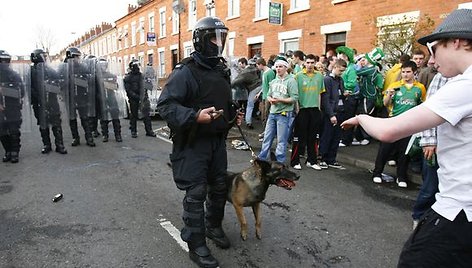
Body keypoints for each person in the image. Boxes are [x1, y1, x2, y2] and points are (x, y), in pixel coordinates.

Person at [341, 9, 472, 266]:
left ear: (457, 41)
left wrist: (361, 118)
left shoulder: (465, 86)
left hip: (459, 211)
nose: (431, 61)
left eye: (434, 50)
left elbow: (389, 131)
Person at [156, 16, 242, 268]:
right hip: (193, 143)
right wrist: (194, 116)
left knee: (218, 187)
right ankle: (196, 244)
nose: (219, 42)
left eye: (222, 37)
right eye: (214, 37)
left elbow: (221, 99)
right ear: (201, 41)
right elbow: (165, 105)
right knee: (196, 192)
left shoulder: (221, 69)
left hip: (216, 141)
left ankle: (213, 226)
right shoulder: (186, 71)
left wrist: (231, 113)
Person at [371, 60, 425, 188]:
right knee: (385, 149)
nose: (405, 74)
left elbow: (422, 105)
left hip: (409, 125)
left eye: (408, 72)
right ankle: (377, 173)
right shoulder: (395, 85)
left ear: (414, 72)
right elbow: (385, 103)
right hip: (393, 121)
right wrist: (389, 95)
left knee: (404, 152)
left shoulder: (420, 88)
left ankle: (401, 176)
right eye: (403, 72)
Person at [411, 71, 451, 230]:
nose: (433, 61)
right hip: (438, 145)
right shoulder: (443, 75)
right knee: (430, 187)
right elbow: (429, 109)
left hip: (460, 151)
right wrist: (429, 141)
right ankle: (419, 217)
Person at [258, 57, 298, 164]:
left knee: (281, 139)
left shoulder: (291, 81)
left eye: (280, 67)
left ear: (286, 68)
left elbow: (294, 98)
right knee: (267, 137)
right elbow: (268, 94)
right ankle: (261, 159)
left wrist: (280, 100)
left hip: (284, 114)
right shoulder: (274, 81)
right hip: (272, 112)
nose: (278, 69)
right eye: (277, 67)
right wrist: (270, 99)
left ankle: (279, 161)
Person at [289, 54, 324, 170]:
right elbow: (295, 94)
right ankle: (295, 161)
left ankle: (312, 160)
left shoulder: (319, 76)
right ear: (304, 63)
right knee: (299, 137)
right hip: (303, 109)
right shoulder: (298, 76)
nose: (310, 65)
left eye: (312, 63)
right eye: (308, 63)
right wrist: (297, 108)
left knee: (313, 137)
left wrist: (319, 109)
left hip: (314, 109)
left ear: (315, 63)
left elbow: (319, 93)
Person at [30, 48, 67, 154]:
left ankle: (59, 145)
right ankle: (47, 145)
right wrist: (38, 96)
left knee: (56, 122)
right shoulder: (31, 71)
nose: (45, 58)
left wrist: (53, 87)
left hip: (51, 100)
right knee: (43, 124)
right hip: (39, 102)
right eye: (43, 56)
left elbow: (58, 82)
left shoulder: (49, 70)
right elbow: (29, 87)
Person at [61, 47, 96, 147]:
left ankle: (89, 137)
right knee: (72, 119)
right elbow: (60, 82)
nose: (78, 59)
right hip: (70, 97)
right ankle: (75, 137)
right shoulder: (63, 68)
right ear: (71, 56)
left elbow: (89, 80)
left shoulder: (82, 67)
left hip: (81, 96)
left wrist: (80, 81)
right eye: (76, 56)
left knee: (85, 118)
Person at [319, 59, 347, 169]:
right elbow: (325, 99)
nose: (341, 73)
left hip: (340, 110)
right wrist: (331, 115)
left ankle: (331, 159)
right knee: (327, 136)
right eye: (340, 70)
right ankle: (322, 158)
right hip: (331, 112)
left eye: (343, 71)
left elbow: (339, 95)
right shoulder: (327, 80)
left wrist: (345, 94)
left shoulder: (340, 80)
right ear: (335, 67)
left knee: (336, 137)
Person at [0, 50, 24, 163]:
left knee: (14, 131)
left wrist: (4, 90)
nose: (3, 64)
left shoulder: (14, 75)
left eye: (5, 61)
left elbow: (21, 92)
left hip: (12, 107)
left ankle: (15, 152)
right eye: (1, 61)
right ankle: (7, 151)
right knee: (2, 132)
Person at [123, 60, 156, 138]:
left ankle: (149, 131)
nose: (137, 68)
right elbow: (128, 90)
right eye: (135, 66)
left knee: (146, 115)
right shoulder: (128, 78)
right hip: (134, 99)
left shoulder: (143, 76)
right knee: (134, 115)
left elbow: (149, 87)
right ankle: (133, 131)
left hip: (144, 98)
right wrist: (137, 97)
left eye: (138, 66)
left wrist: (149, 82)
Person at [96, 58, 123, 142]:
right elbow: (94, 89)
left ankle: (118, 135)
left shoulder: (111, 75)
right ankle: (105, 135)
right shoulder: (96, 77)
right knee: (103, 119)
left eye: (104, 65)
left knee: (115, 118)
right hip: (101, 99)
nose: (103, 67)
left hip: (112, 98)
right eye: (101, 65)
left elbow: (116, 87)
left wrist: (106, 85)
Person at [231, 56, 261, 129]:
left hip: (253, 88)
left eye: (240, 64)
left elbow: (236, 81)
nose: (239, 66)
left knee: (249, 105)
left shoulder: (245, 72)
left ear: (243, 63)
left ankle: (248, 123)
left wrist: (228, 86)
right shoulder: (254, 68)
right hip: (260, 86)